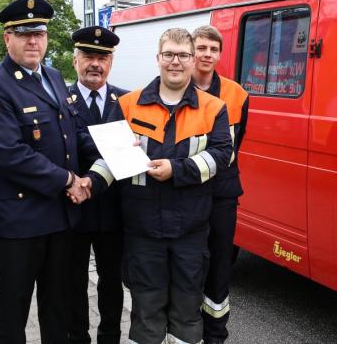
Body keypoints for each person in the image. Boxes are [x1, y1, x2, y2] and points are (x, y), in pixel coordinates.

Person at [87, 28, 233, 344]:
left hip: (190, 233)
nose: (175, 62)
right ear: (158, 58)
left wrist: (176, 170)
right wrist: (89, 182)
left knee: (187, 314)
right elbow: (110, 158)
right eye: (169, 54)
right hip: (143, 234)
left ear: (192, 60)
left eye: (182, 55)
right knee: (146, 314)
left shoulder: (213, 108)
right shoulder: (128, 104)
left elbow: (222, 156)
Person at [0, 0, 95, 344]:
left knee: (57, 307)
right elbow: (9, 153)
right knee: (13, 311)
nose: (32, 41)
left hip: (59, 218)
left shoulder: (54, 76)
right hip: (19, 222)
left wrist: (113, 152)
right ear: (7, 38)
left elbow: (71, 134)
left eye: (38, 34)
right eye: (23, 34)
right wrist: (68, 180)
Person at [66, 26, 129, 344]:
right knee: (73, 282)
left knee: (112, 281)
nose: (95, 63)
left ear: (111, 62)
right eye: (88, 56)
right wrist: (115, 146)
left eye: (102, 58)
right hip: (74, 207)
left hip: (115, 208)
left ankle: (110, 337)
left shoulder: (128, 100)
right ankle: (78, 337)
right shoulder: (59, 99)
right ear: (75, 60)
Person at [190, 25, 249, 344]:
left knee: (220, 261)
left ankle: (215, 334)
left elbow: (237, 142)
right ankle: (186, 327)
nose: (207, 54)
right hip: (186, 191)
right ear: (192, 50)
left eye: (213, 49)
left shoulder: (237, 94)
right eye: (201, 48)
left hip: (222, 193)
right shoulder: (177, 88)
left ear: (220, 54)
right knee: (188, 260)